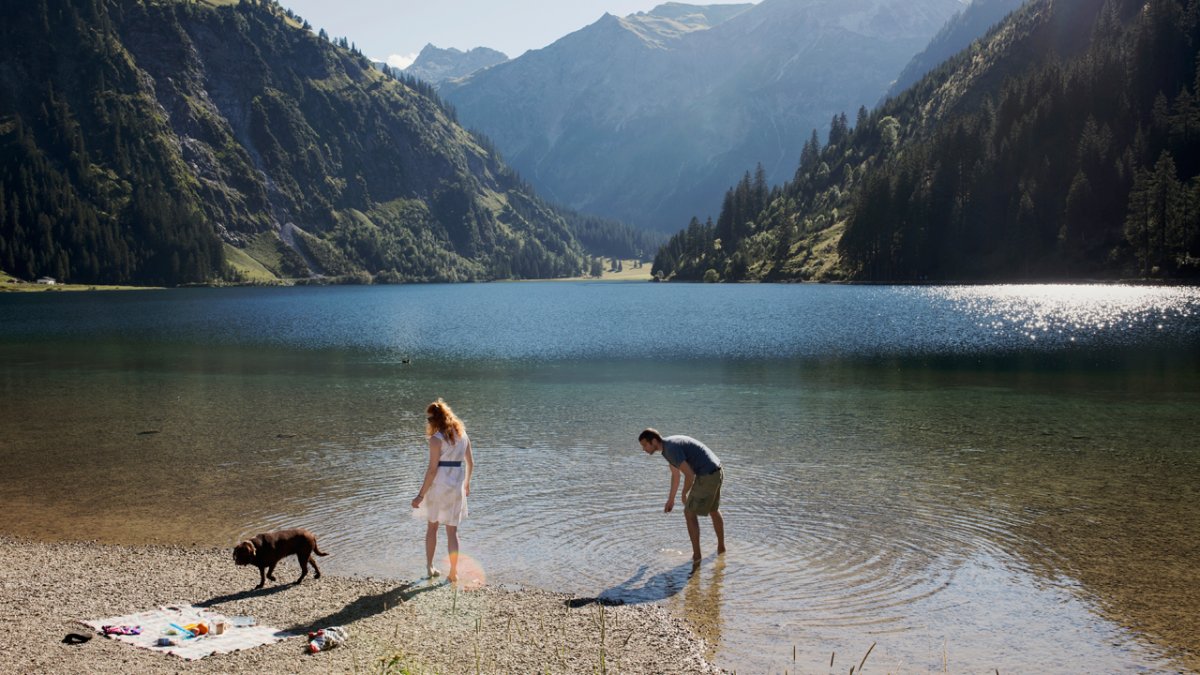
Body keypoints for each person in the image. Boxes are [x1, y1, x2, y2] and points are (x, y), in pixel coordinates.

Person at [638, 428, 726, 563]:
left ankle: (697, 557)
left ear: (654, 441)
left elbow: (690, 474)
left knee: (689, 513)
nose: (643, 449)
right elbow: (676, 474)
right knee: (713, 510)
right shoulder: (668, 447)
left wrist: (684, 493)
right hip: (716, 470)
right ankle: (721, 549)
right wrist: (671, 500)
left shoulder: (671, 449)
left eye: (645, 445)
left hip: (707, 475)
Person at [412, 398, 474, 581]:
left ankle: (430, 567)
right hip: (456, 486)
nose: (428, 423)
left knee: (432, 527)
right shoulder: (463, 436)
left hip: (439, 486)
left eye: (430, 420)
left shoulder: (436, 439)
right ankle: (453, 573)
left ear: (437, 420)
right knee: (452, 531)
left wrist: (420, 495)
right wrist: (467, 484)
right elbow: (471, 463)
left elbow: (432, 470)